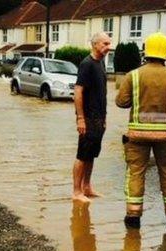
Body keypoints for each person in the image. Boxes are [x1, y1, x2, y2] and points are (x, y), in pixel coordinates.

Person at [116, 32, 166, 228]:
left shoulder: (133, 75)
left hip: (137, 135)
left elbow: (121, 103)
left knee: (135, 172)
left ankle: (133, 216)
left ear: (145, 51)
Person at [72, 32, 111, 203]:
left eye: (109, 43)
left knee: (92, 154)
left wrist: (103, 118)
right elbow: (78, 91)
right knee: (83, 154)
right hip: (87, 118)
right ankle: (76, 191)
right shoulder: (86, 64)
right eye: (105, 44)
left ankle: (87, 187)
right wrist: (80, 118)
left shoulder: (100, 63)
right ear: (95, 44)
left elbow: (101, 93)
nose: (108, 47)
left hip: (98, 119)